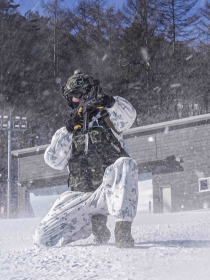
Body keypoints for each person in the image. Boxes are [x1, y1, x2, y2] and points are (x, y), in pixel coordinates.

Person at [33, 70, 138, 248]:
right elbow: (54, 161)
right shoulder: (67, 130)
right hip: (80, 197)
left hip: (108, 193)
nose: (78, 99)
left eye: (81, 94)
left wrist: (109, 102)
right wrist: (69, 129)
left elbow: (130, 116)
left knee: (126, 164)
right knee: (42, 239)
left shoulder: (109, 117)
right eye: (73, 96)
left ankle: (123, 230)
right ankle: (93, 225)